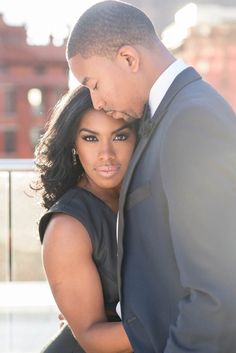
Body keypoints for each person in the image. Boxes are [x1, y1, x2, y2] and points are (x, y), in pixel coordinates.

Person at [66, 1, 236, 352]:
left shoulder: (191, 121)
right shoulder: (173, 114)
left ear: (128, 59)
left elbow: (217, 292)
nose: (95, 102)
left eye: (94, 84)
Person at [34, 85, 137, 353]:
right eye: (91, 138)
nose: (106, 154)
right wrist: (187, 320)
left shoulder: (140, 197)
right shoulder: (67, 227)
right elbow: (92, 338)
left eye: (120, 137)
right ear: (74, 145)